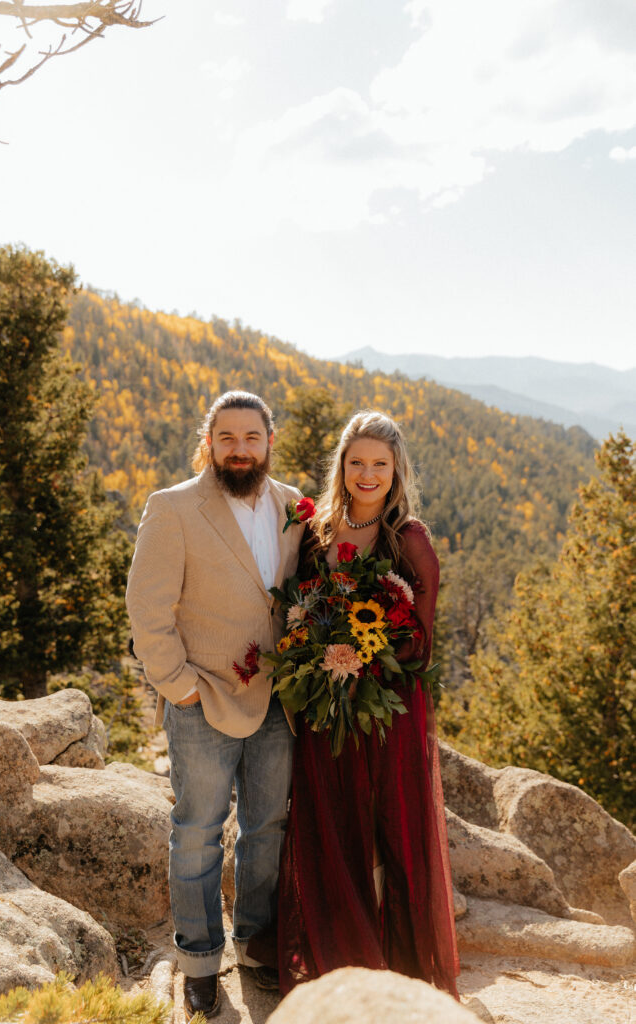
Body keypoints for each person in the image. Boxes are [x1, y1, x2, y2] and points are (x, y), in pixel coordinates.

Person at [126, 391, 303, 1022]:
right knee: (198, 834)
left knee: (266, 829)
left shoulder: (294, 506)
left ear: (267, 443)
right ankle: (200, 962)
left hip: (279, 698)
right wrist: (179, 686)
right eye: (226, 437)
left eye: (250, 437)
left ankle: (256, 948)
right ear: (209, 442)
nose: (239, 448)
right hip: (202, 696)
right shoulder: (173, 507)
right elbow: (148, 609)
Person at [272, 410, 460, 997]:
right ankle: (337, 953)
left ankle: (401, 966)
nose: (368, 473)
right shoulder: (318, 531)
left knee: (390, 831)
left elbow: (422, 641)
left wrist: (364, 657)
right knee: (329, 821)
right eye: (357, 462)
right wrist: (316, 658)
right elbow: (297, 608)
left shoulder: (411, 540)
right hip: (325, 710)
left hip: (388, 710)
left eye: (380, 463)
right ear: (342, 467)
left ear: (396, 469)